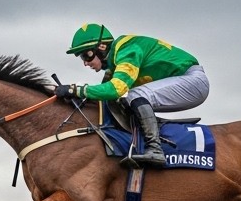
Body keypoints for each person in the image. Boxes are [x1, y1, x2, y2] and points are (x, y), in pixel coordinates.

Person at [55, 23, 209, 168]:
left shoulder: (127, 49)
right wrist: (77, 96)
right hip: (185, 82)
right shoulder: (115, 63)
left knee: (134, 95)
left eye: (85, 56)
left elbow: (115, 89)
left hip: (193, 81)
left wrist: (76, 90)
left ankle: (155, 149)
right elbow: (104, 96)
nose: (85, 63)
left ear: (101, 47)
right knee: (126, 101)